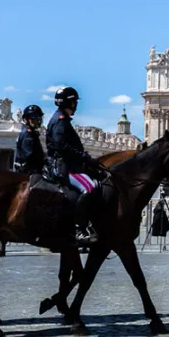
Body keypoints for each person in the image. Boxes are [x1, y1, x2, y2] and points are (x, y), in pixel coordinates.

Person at [46, 86, 105, 246]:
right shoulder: (60, 121)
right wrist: (84, 157)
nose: (76, 105)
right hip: (64, 166)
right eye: (74, 102)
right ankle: (79, 228)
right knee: (90, 187)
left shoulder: (61, 119)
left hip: (67, 164)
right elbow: (62, 146)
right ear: (70, 103)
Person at [14, 104, 45, 175]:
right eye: (34, 118)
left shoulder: (31, 132)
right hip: (28, 172)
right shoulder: (28, 133)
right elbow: (30, 155)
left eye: (39, 118)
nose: (37, 120)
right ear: (26, 119)